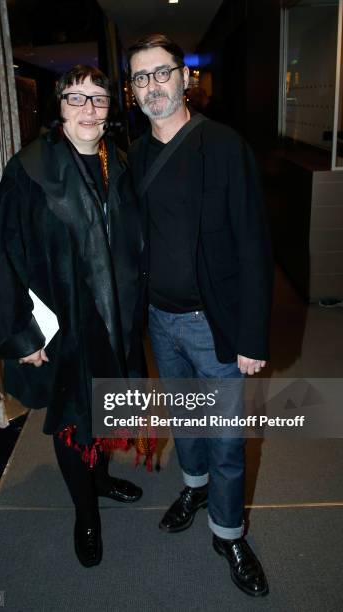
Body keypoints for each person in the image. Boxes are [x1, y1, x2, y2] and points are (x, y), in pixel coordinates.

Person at [0, 65, 145, 568]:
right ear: (59, 108)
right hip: (67, 321)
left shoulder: (121, 161)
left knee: (111, 406)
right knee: (74, 419)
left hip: (118, 316)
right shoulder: (30, 168)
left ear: (111, 108)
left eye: (98, 98)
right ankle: (85, 512)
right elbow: (1, 252)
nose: (88, 108)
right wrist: (24, 333)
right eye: (76, 98)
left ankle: (103, 477)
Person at [127, 34, 273, 597]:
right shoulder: (135, 156)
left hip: (214, 325)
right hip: (160, 323)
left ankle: (229, 532)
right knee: (186, 422)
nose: (152, 87)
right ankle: (193, 487)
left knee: (228, 438)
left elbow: (254, 246)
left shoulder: (225, 146)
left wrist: (251, 335)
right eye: (140, 79)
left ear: (184, 77)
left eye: (161, 74)